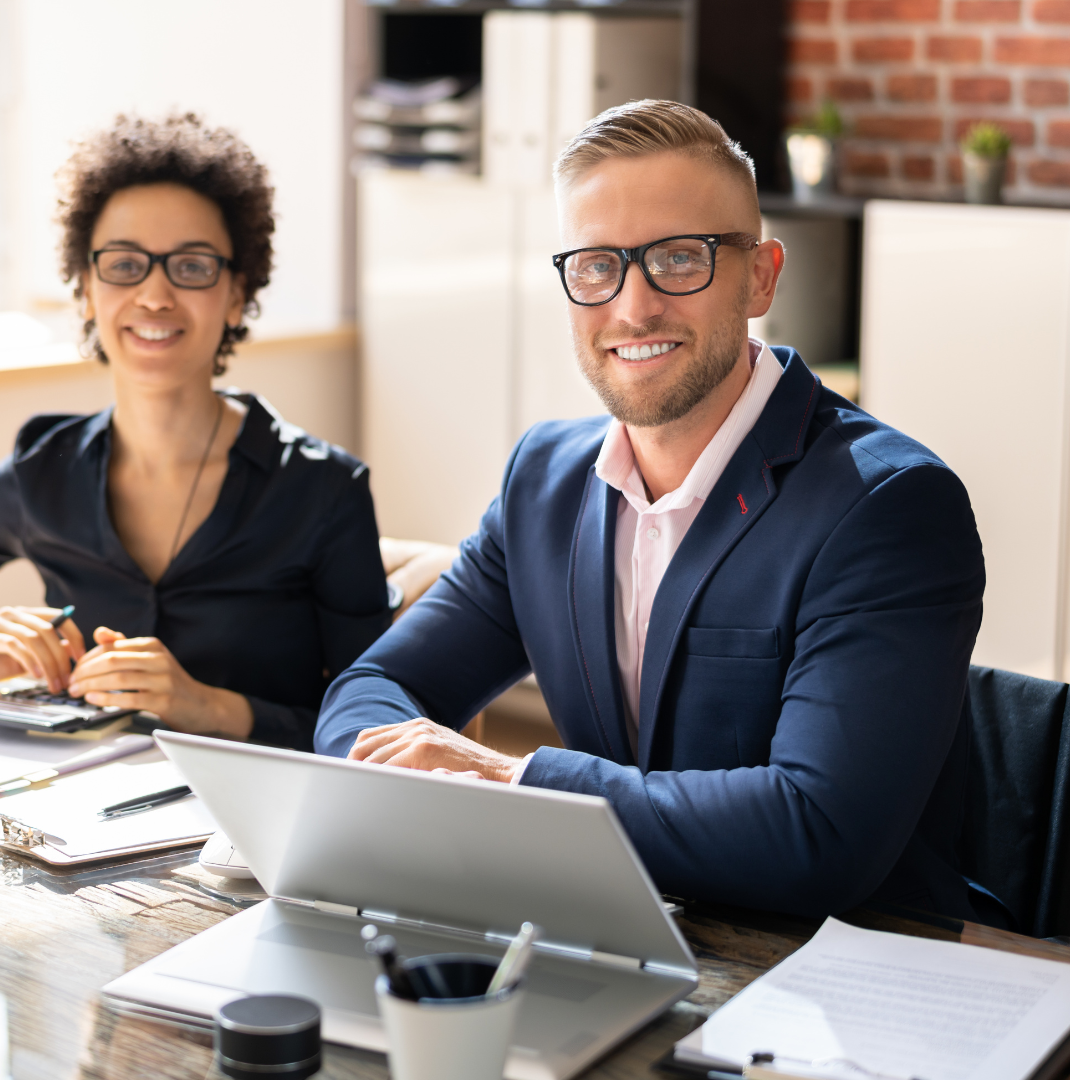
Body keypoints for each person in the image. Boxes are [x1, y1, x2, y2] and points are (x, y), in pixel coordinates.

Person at [315, 100, 989, 922]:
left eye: (678, 258)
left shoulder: (887, 506)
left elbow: (818, 837)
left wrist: (513, 781)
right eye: (597, 265)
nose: (633, 308)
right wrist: (411, 770)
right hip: (616, 936)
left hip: (836, 986)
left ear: (761, 276)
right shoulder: (545, 481)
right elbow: (376, 683)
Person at [0, 113, 392, 751]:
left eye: (191, 267)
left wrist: (210, 708)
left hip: (255, 830)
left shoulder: (325, 491)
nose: (155, 295)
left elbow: (382, 724)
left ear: (238, 294)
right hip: (70, 812)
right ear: (85, 290)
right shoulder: (44, 473)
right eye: (125, 265)